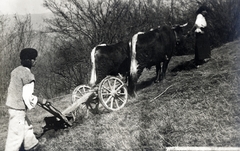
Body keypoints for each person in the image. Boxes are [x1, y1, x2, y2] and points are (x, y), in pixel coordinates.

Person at [5, 48, 47, 151]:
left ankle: (32, 145)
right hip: (18, 108)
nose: (35, 61)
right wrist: (40, 100)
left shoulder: (15, 71)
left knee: (26, 127)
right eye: (35, 59)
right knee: (15, 137)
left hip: (12, 105)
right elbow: (27, 96)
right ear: (31, 61)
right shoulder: (28, 75)